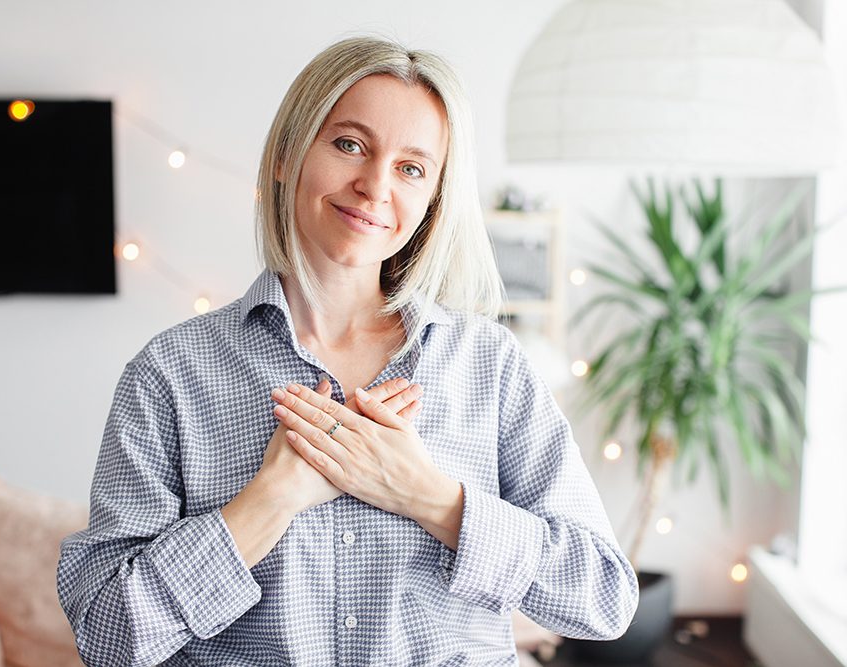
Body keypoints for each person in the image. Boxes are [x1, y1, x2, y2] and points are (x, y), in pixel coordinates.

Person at [57, 36, 638, 667]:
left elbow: (602, 599)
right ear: (287, 156)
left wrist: (428, 497)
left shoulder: (489, 366)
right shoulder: (170, 374)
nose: (374, 186)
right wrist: (270, 499)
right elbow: (106, 639)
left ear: (432, 200)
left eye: (412, 167)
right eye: (349, 144)